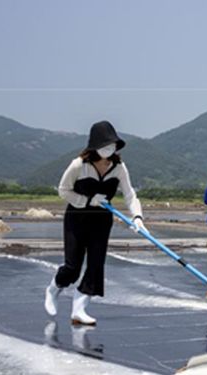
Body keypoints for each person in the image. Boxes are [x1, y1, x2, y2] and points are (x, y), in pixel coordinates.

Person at [44, 120, 146, 325]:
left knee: (96, 264)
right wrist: (87, 201)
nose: (110, 148)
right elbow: (63, 190)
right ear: (95, 146)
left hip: (101, 221)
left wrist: (137, 217)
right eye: (105, 145)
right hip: (77, 218)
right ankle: (54, 288)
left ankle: (79, 310)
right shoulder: (79, 165)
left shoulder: (118, 167)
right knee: (73, 266)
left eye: (113, 145)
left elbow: (129, 194)